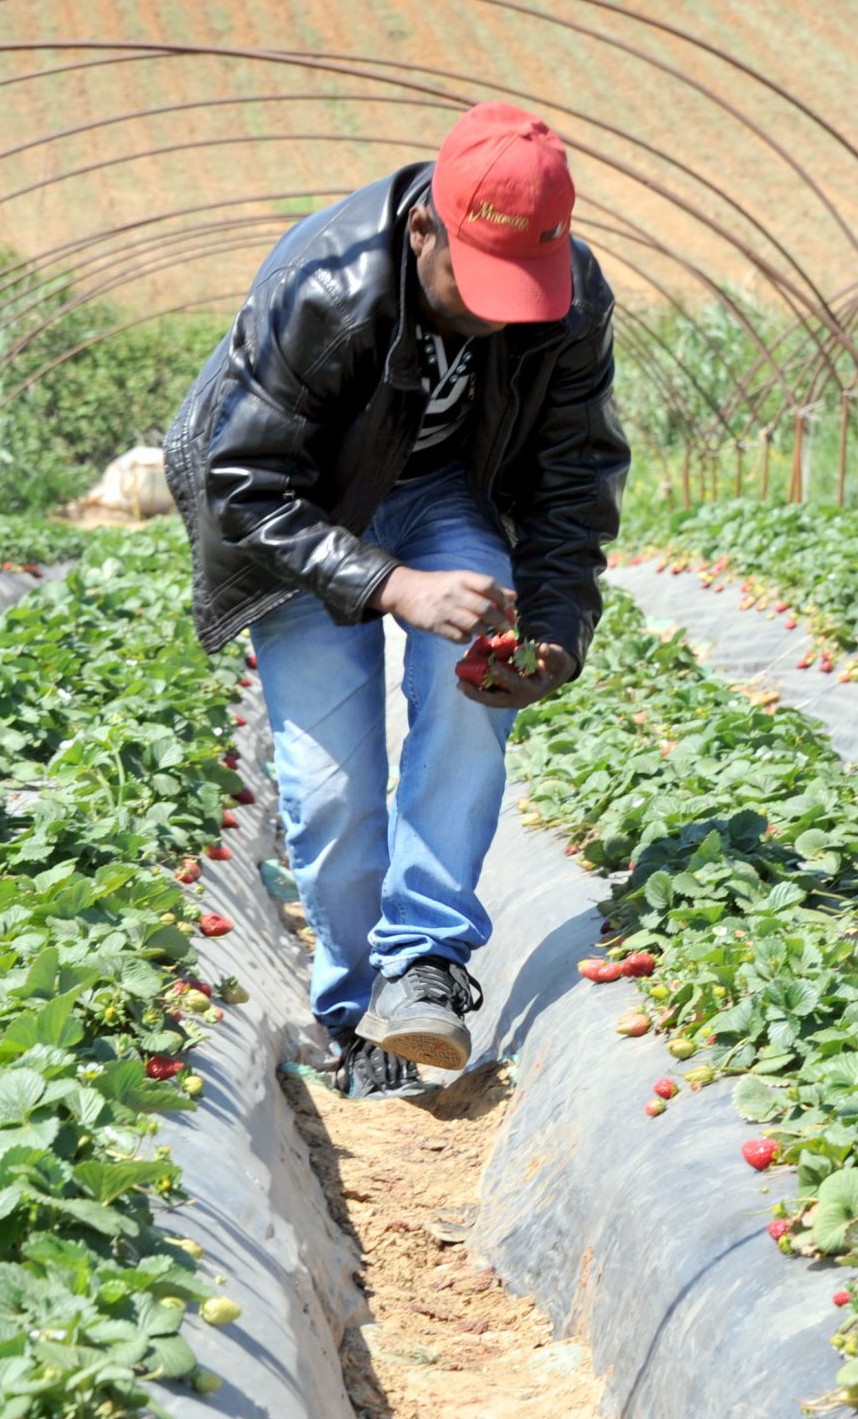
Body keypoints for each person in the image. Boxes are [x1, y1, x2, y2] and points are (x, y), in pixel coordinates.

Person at [165, 102, 631, 1099]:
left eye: (523, 289)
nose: (505, 312)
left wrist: (553, 629)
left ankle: (424, 958)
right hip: (299, 503)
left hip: (443, 491)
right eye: (480, 283)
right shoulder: (323, 285)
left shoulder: (571, 298)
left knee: (471, 688)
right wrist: (390, 583)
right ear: (425, 228)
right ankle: (346, 1012)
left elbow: (572, 474)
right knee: (331, 788)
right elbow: (241, 480)